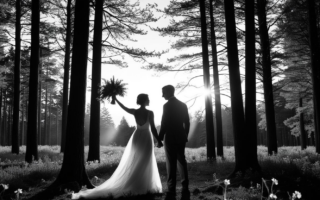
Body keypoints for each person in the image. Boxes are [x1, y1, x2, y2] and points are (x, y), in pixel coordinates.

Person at [71, 94, 163, 199]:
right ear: (145, 101)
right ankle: (144, 185)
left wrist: (116, 99)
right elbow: (154, 129)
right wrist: (159, 140)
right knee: (146, 160)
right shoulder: (150, 113)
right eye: (148, 99)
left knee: (137, 160)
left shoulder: (135, 111)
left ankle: (137, 184)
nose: (149, 100)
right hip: (146, 137)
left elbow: (124, 107)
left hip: (137, 137)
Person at [159, 85, 190, 199]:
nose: (162, 95)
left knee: (170, 163)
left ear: (168, 92)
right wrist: (185, 135)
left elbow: (164, 123)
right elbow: (187, 122)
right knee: (182, 161)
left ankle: (171, 189)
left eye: (163, 93)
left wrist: (159, 138)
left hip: (170, 137)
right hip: (181, 136)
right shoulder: (183, 105)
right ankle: (185, 187)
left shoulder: (166, 106)